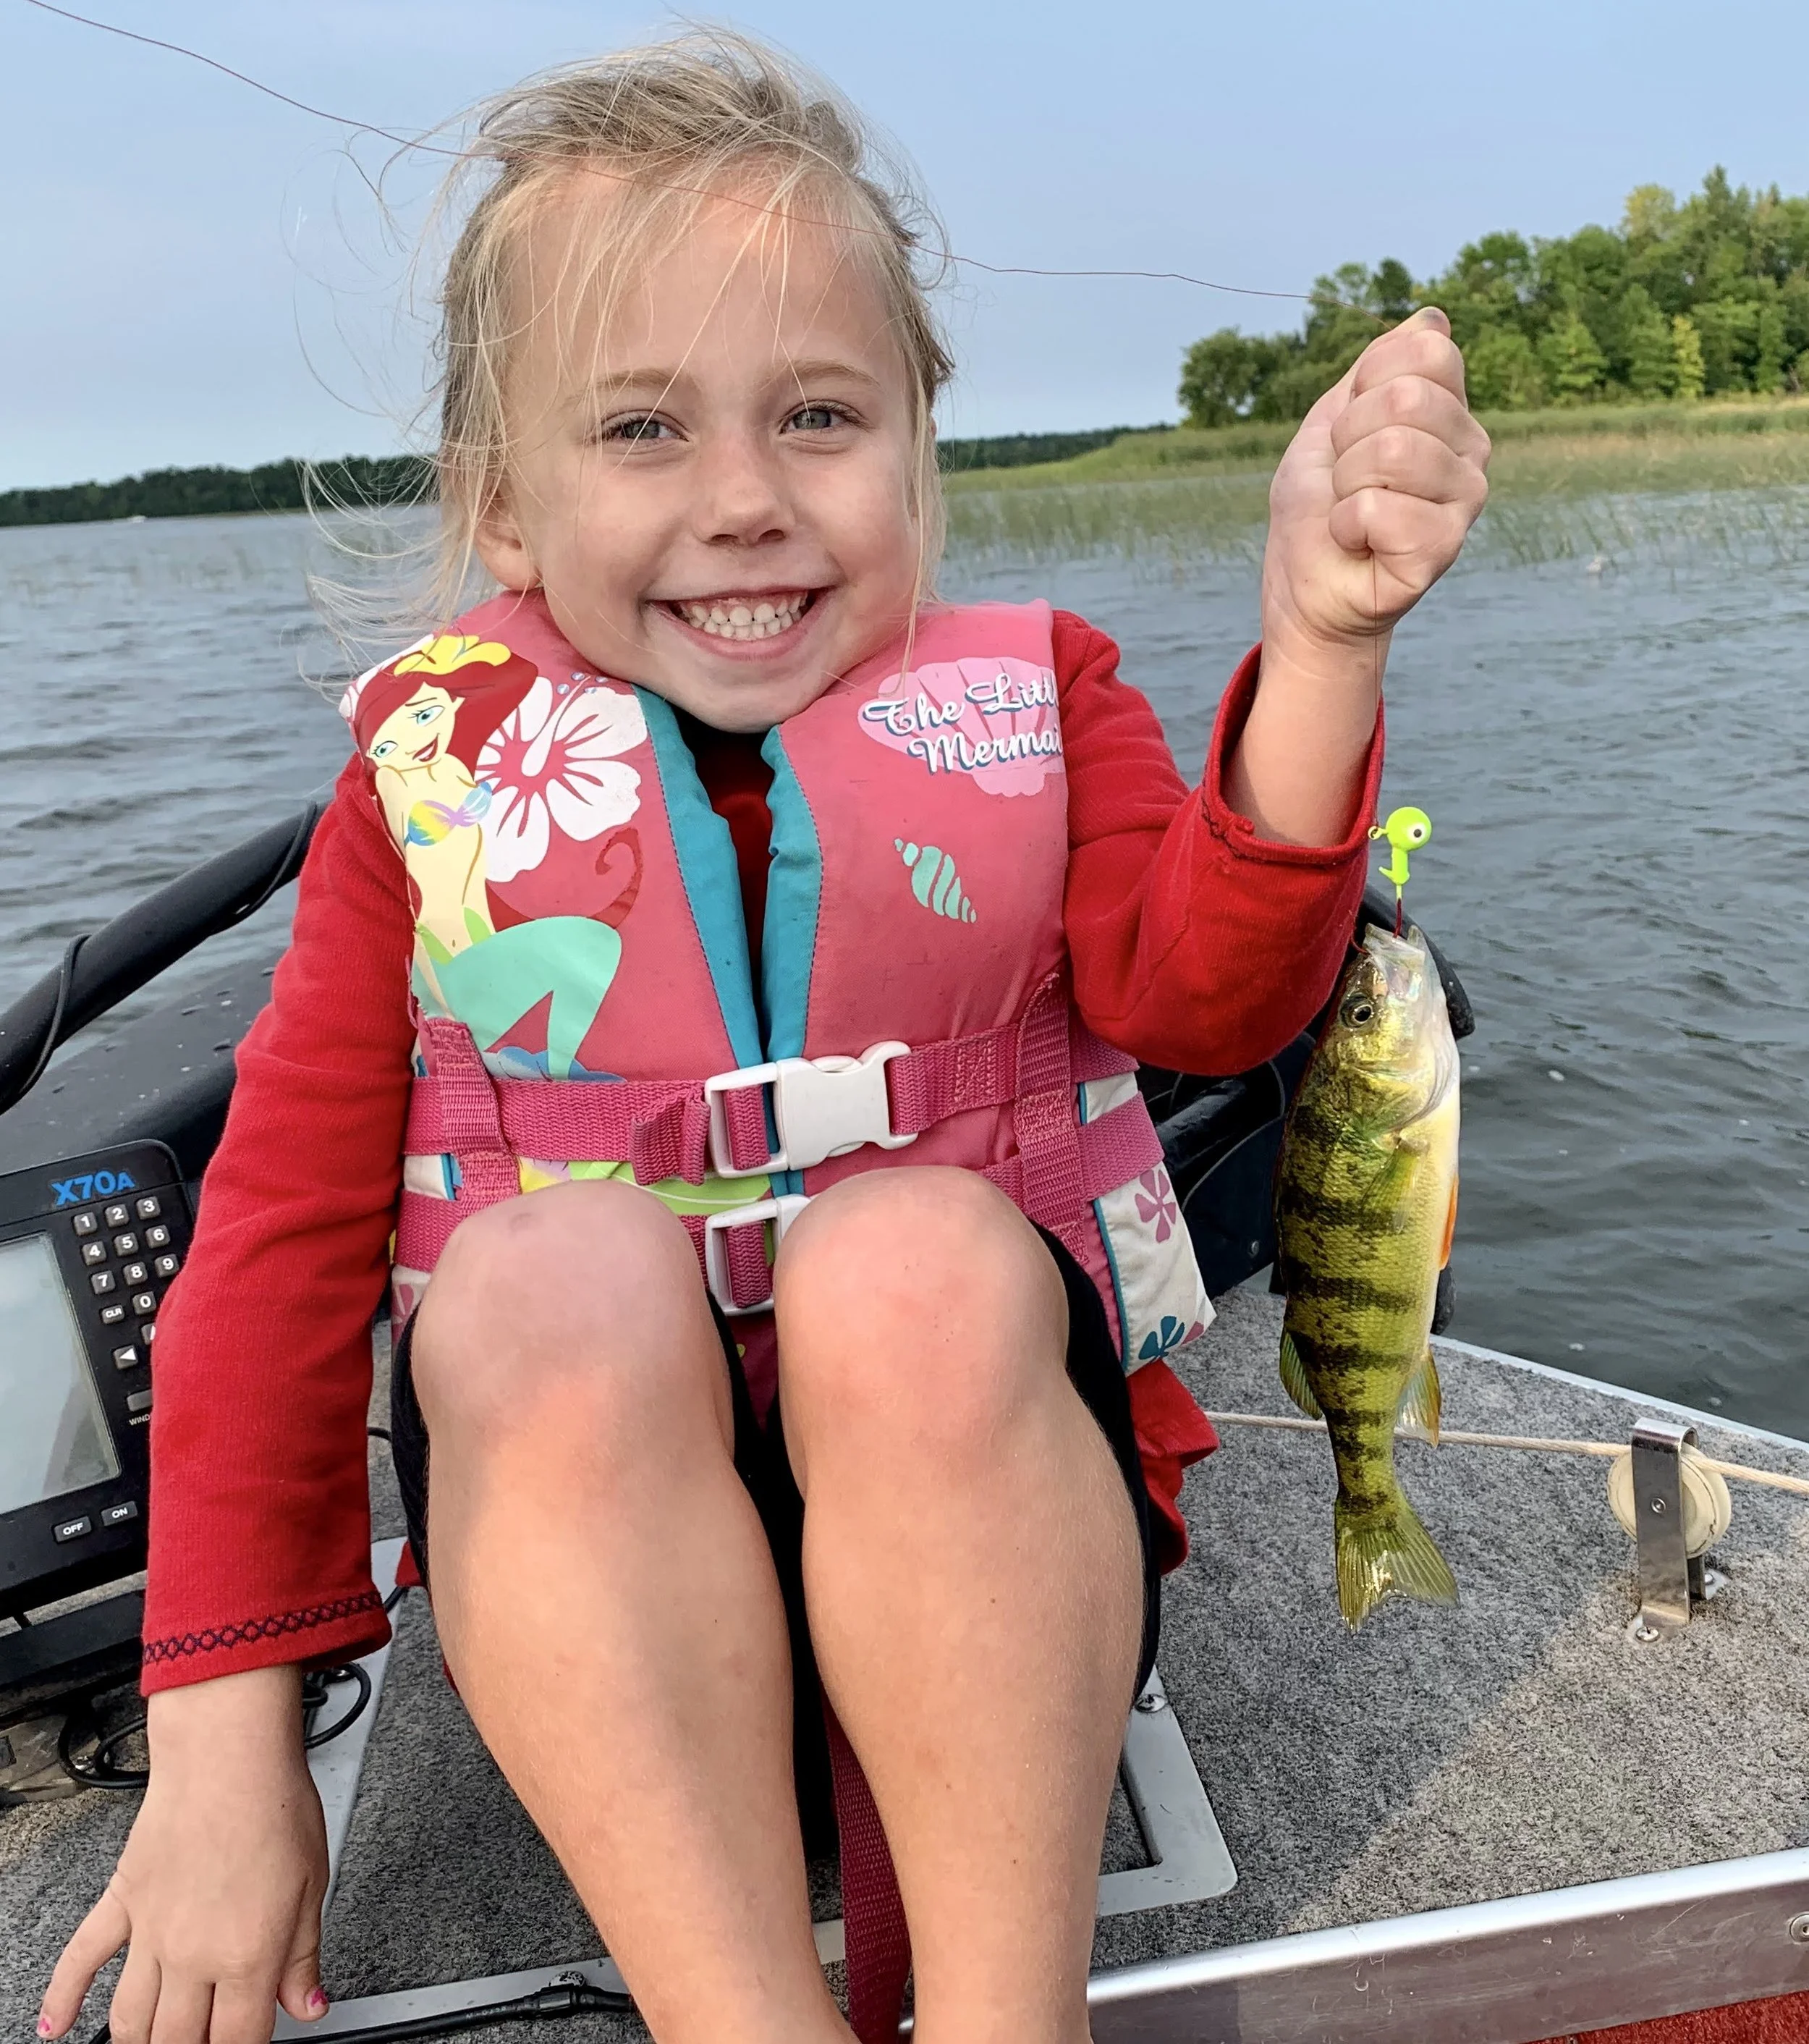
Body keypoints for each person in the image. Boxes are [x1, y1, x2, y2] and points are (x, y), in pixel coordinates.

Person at [39, 30, 1488, 2044]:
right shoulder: (428, 792)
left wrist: (1323, 641)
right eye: (641, 430)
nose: (743, 500)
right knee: (537, 1275)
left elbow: (1215, 998)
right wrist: (220, 1748)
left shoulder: (1041, 704)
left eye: (817, 414)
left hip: (998, 1551)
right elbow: (269, 1260)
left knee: (904, 1257)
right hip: (600, 1615)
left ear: (917, 443)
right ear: (505, 502)